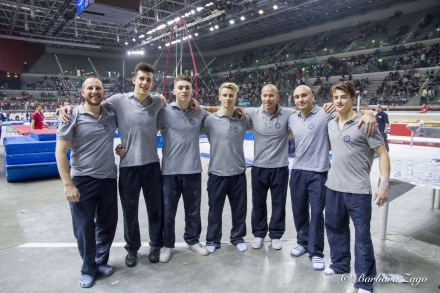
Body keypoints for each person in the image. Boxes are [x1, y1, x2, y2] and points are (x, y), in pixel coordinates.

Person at [60, 63, 165, 267]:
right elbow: (91, 104)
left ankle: (155, 245)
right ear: (134, 80)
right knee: (130, 212)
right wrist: (68, 108)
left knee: (155, 209)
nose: (144, 83)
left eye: (149, 80)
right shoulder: (117, 101)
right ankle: (132, 249)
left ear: (153, 83)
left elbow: (182, 106)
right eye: (141, 78)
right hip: (128, 167)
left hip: (152, 165)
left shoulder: (158, 102)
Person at [288, 85, 377, 271]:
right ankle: (302, 242)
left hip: (319, 171)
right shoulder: (291, 117)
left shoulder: (325, 113)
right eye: (297, 96)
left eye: (304, 95)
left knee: (317, 213)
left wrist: (368, 113)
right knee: (299, 212)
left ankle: (316, 251)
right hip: (297, 170)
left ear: (312, 96)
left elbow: (347, 110)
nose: (301, 99)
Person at [324, 81, 390, 293]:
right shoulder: (331, 123)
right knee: (334, 228)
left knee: (362, 236)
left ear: (353, 99)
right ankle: (340, 264)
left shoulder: (365, 123)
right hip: (333, 186)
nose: (339, 101)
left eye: (344, 97)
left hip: (358, 189)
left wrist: (384, 185)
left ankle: (364, 281)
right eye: (336, 97)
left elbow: (382, 154)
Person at [55, 77, 118, 288]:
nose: (94, 91)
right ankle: (87, 268)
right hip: (83, 180)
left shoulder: (110, 114)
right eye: (90, 88)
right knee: (84, 228)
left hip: (108, 179)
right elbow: (60, 152)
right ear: (82, 92)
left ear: (103, 91)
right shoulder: (72, 115)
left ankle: (100, 262)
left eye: (98, 88)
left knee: (107, 225)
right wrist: (68, 184)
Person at [156, 75, 209, 262]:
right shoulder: (163, 112)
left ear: (192, 91)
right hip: (170, 171)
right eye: (180, 88)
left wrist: (237, 110)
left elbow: (219, 114)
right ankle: (167, 244)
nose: (184, 90)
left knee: (193, 209)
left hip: (193, 169)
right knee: (168, 211)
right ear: (174, 91)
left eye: (187, 87)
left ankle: (192, 240)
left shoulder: (199, 112)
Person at [201, 82, 251, 253]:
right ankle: (213, 239)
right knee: (215, 209)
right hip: (217, 172)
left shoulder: (244, 119)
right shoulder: (209, 120)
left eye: (231, 95)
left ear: (235, 97)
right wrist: (207, 107)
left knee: (239, 209)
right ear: (219, 97)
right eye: (225, 95)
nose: (228, 98)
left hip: (238, 173)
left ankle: (237, 237)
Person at [245, 84, 295, 250]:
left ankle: (276, 234)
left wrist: (367, 112)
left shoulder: (288, 114)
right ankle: (259, 234)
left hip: (280, 167)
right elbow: (226, 108)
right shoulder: (253, 113)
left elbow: (306, 115)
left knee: (278, 203)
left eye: (271, 95)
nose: (268, 99)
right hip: (259, 166)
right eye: (265, 95)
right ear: (260, 96)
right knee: (258, 202)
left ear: (277, 96)